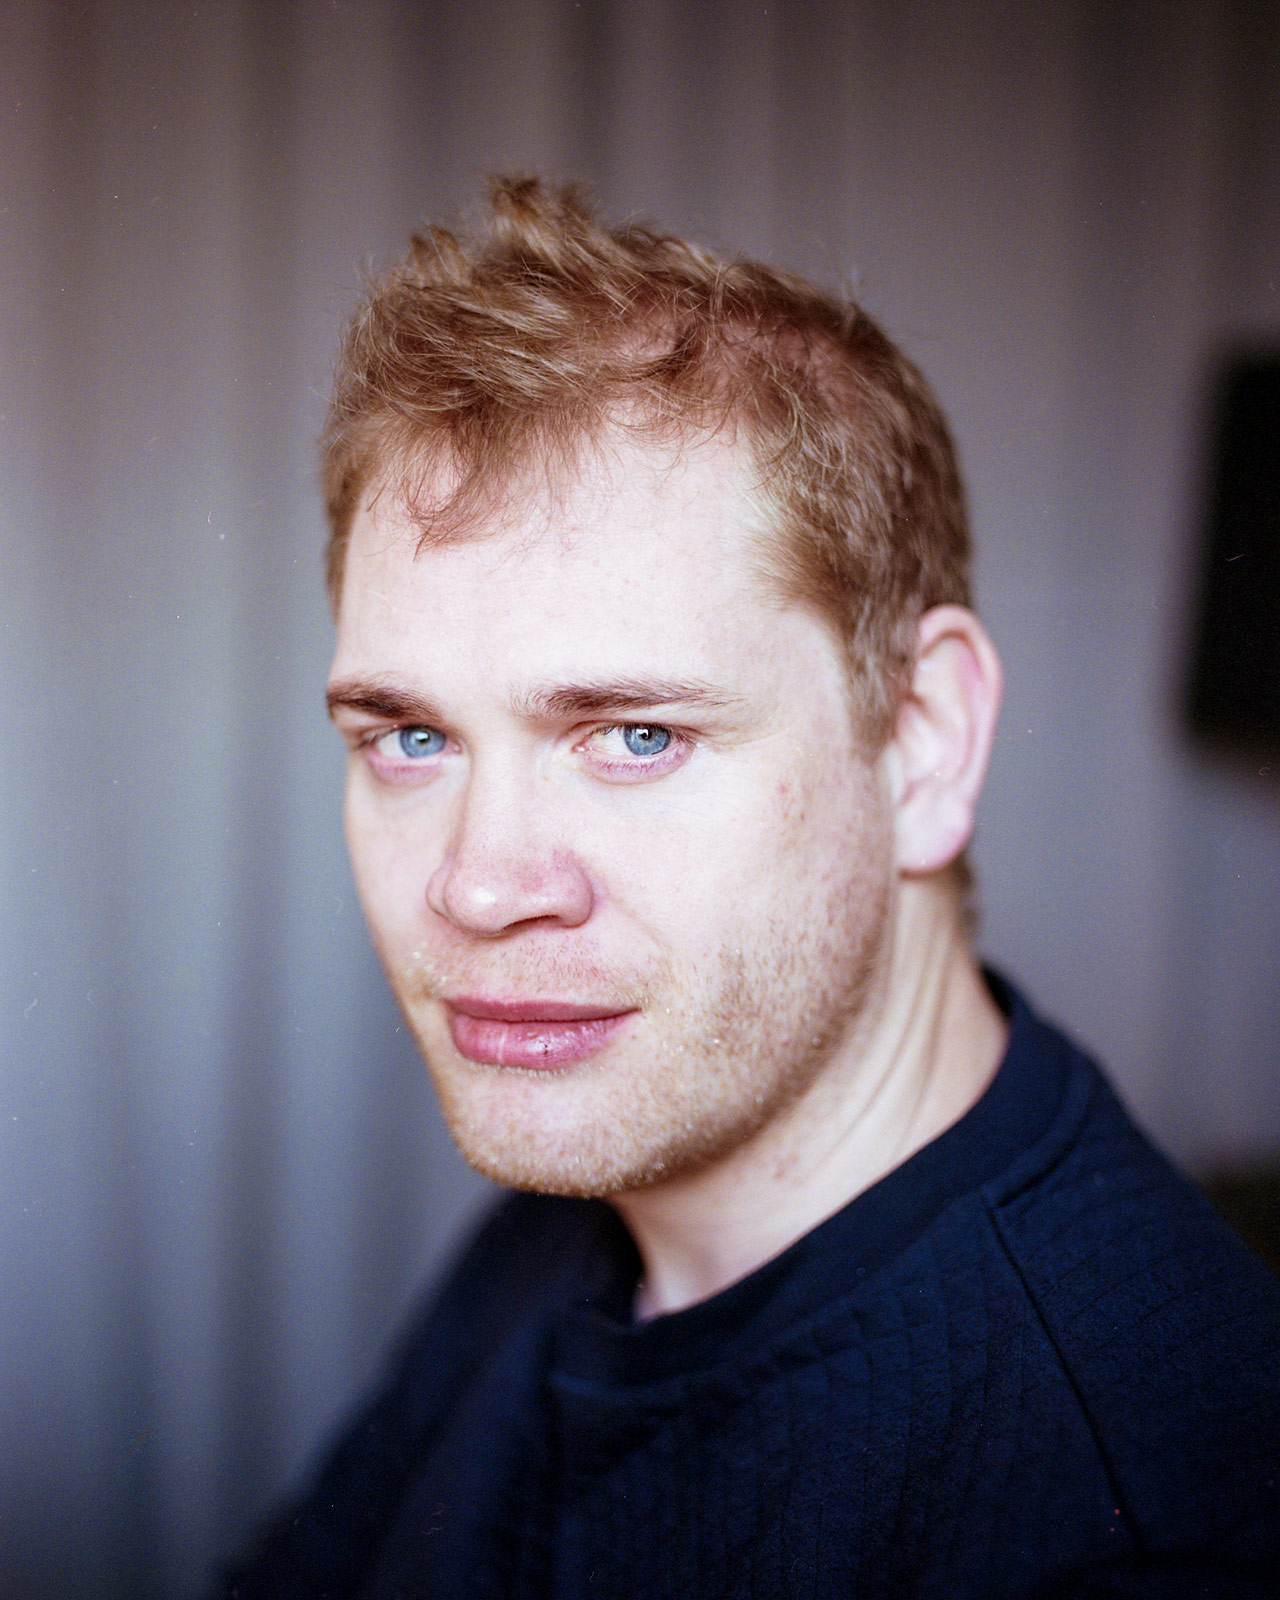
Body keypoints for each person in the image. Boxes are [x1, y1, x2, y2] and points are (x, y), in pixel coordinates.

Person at [217, 178, 1280, 1599]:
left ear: (923, 741)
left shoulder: (1137, 1518)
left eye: (635, 737)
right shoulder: (589, 1195)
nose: (478, 888)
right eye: (411, 739)